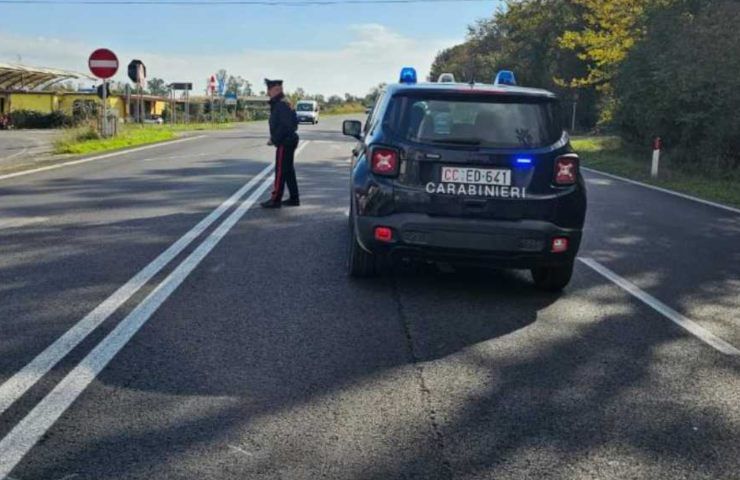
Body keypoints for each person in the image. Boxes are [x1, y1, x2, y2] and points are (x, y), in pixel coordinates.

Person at [261, 78, 300, 208]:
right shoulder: (283, 102)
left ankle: (276, 199)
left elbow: (286, 126)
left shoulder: (281, 104)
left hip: (285, 141)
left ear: (276, 89)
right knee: (288, 171)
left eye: (270, 89)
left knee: (280, 171)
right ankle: (294, 198)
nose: (268, 93)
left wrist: (274, 139)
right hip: (288, 140)